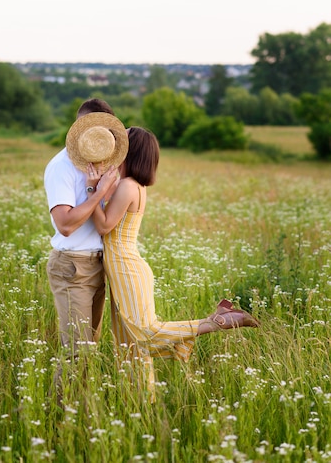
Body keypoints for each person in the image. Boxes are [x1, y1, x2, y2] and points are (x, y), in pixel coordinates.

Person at [85, 126, 260, 400]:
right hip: (125, 267)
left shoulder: (130, 186)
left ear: (131, 152)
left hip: (126, 267)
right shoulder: (132, 185)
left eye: (121, 145)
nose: (115, 150)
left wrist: (90, 191)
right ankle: (143, 402)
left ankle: (217, 321)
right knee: (127, 344)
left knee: (144, 333)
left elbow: (105, 226)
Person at [44, 99, 128, 355]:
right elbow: (65, 225)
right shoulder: (62, 167)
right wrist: (97, 192)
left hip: (99, 264)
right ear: (79, 129)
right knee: (77, 352)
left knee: (90, 347)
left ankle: (82, 398)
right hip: (72, 266)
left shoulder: (106, 164)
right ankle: (61, 398)